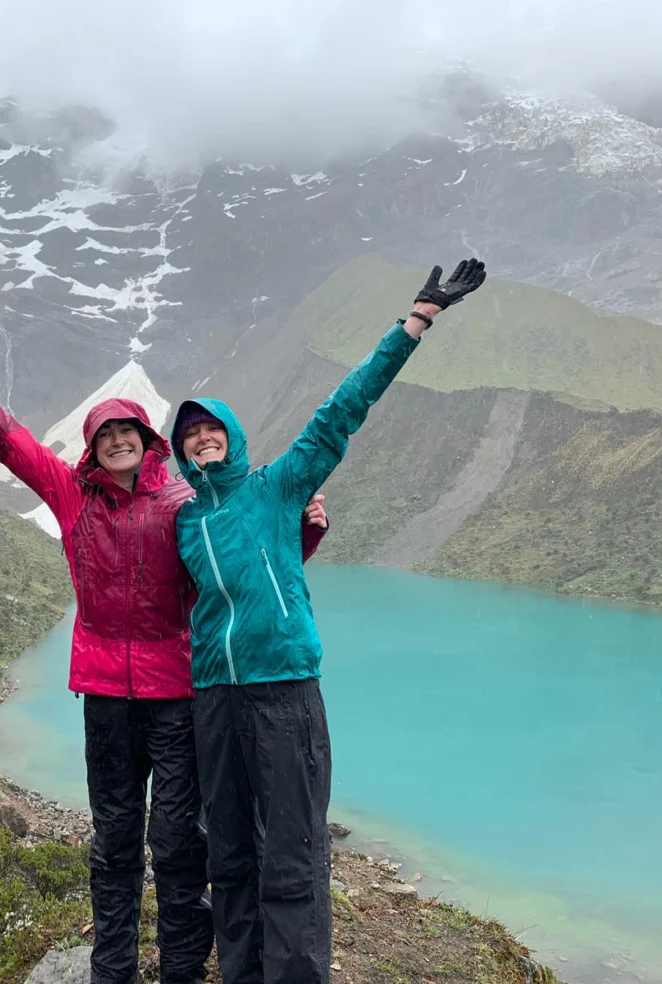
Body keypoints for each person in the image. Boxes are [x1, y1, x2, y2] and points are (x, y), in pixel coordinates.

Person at [0, 323, 331, 984]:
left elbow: (234, 576)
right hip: (106, 699)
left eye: (130, 432)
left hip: (175, 696)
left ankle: (180, 970)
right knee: (114, 841)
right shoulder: (71, 496)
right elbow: (6, 438)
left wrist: (303, 536)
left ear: (148, 443)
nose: (118, 440)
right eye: (105, 433)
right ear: (93, 447)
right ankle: (110, 971)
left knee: (177, 842)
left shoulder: (180, 505)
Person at [168, 259, 488, 984]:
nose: (200, 440)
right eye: (188, 437)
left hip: (283, 691)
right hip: (215, 700)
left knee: (291, 855)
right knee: (232, 857)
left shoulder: (278, 487)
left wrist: (416, 320)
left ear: (232, 436)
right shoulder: (185, 522)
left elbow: (342, 411)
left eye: (210, 428)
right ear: (180, 454)